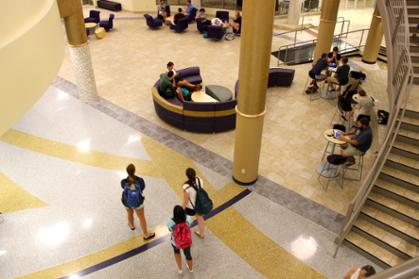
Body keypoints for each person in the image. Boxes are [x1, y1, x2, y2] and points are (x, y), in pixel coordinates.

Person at [121, 164, 155, 240]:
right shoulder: (140, 180)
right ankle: (146, 234)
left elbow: (123, 187)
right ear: (134, 171)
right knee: (141, 218)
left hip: (126, 201)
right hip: (138, 202)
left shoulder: (123, 181)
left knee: (129, 213)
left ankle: (131, 225)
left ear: (127, 172)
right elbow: (142, 188)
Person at [167, 205, 194, 274]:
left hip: (175, 242)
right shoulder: (188, 219)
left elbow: (170, 230)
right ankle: (190, 269)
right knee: (188, 255)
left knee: (176, 252)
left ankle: (180, 269)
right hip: (186, 242)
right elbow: (190, 225)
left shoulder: (170, 222)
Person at [182, 168, 206, 239]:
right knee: (200, 219)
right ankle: (201, 234)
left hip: (191, 207)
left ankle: (185, 235)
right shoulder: (200, 180)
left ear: (187, 176)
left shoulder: (186, 187)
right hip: (200, 204)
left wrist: (181, 209)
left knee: (185, 221)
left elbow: (185, 201)